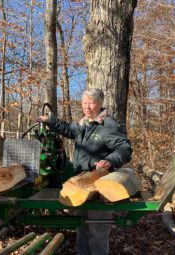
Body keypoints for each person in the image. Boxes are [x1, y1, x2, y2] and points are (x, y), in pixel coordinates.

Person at [36, 88, 132, 255]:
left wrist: (110, 161)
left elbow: (124, 148)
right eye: (84, 103)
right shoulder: (84, 123)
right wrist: (49, 120)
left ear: (100, 104)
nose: (87, 106)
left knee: (98, 229)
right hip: (81, 183)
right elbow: (68, 129)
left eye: (91, 103)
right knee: (82, 225)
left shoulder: (108, 125)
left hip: (99, 184)